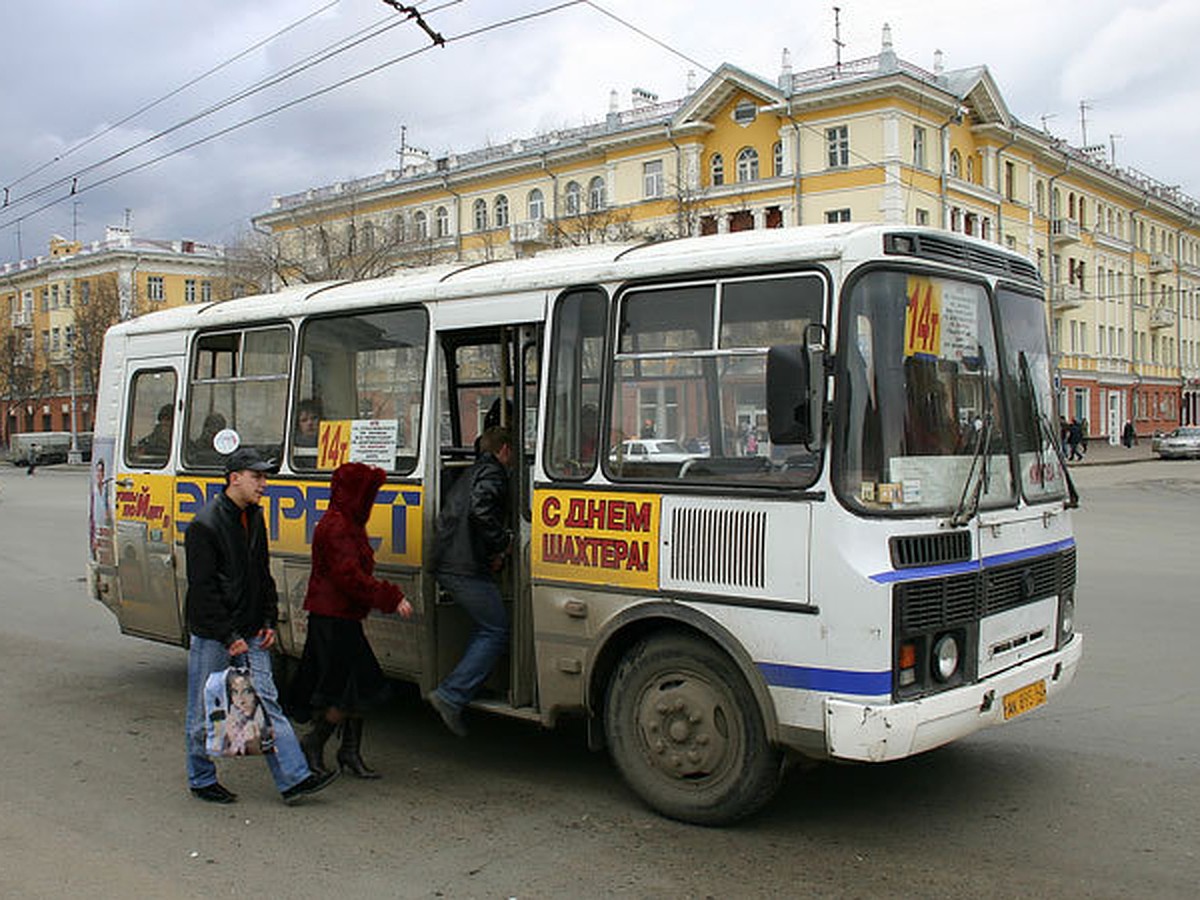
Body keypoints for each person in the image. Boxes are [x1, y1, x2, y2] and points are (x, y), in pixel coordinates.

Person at [183, 446, 337, 804]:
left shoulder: (253, 517)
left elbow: (261, 575)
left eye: (265, 477)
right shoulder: (204, 526)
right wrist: (228, 636)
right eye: (257, 477)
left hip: (251, 628)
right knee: (204, 708)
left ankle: (294, 778)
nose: (264, 484)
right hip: (216, 636)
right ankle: (201, 777)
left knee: (266, 701)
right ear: (234, 478)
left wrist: (268, 619)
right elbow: (203, 592)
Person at [289, 462, 413, 778]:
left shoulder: (345, 522)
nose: (371, 501)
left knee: (358, 687)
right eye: (368, 494)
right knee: (346, 690)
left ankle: (348, 752)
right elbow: (350, 578)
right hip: (332, 620)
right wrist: (391, 597)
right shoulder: (339, 527)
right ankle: (315, 744)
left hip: (339, 618)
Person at [426, 427, 513, 737]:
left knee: (486, 623)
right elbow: (481, 510)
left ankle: (474, 683)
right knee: (496, 628)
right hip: (460, 565)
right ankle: (452, 694)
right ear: (505, 451)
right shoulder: (494, 471)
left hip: (452, 559)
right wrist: (503, 542)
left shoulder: (475, 469)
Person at [222, 670, 271, 756]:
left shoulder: (267, 721)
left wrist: (254, 747)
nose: (241, 700)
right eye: (235, 692)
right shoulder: (232, 714)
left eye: (247, 692)